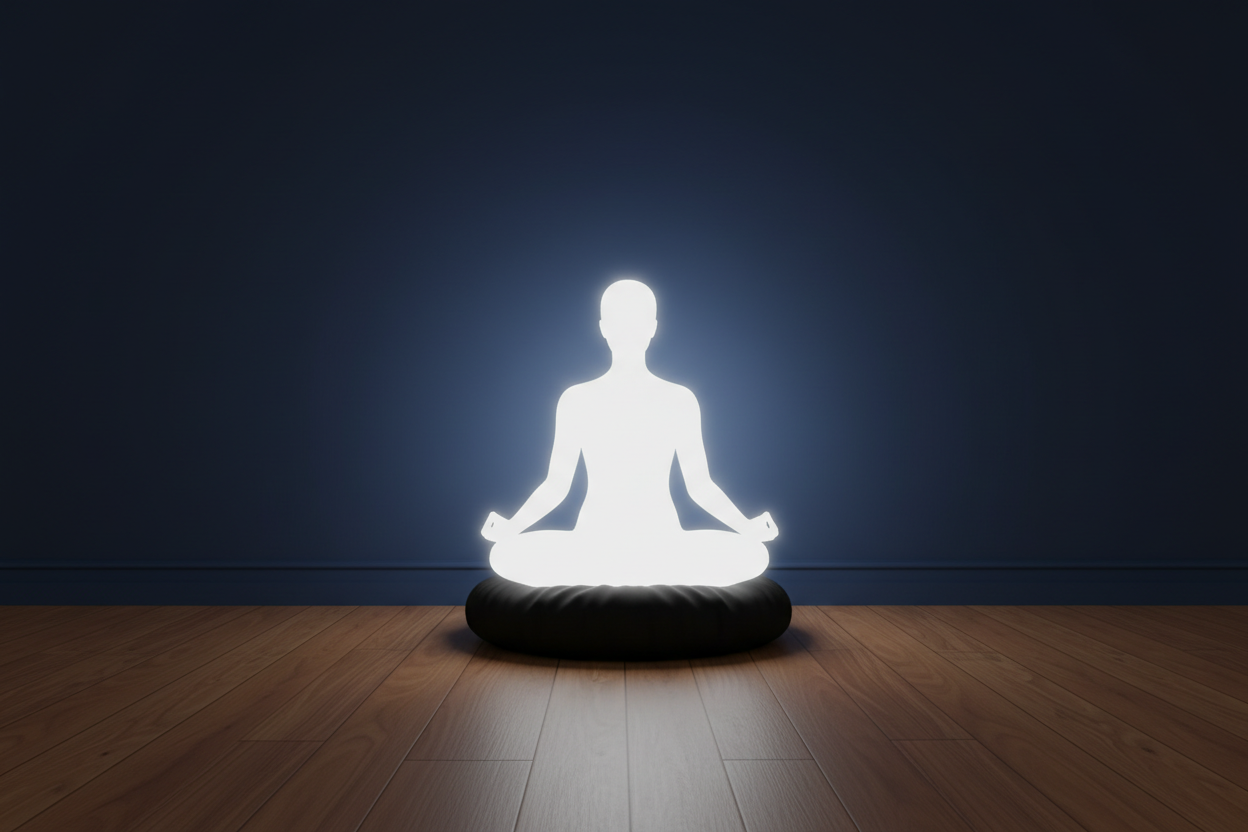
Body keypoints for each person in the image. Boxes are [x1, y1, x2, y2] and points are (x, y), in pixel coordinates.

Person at [482, 279, 777, 586]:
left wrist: (747, 528)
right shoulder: (576, 399)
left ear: (652, 327)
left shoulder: (679, 399)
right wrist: (511, 528)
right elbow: (556, 485)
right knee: (502, 553)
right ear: (603, 327)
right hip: (595, 543)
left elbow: (700, 486)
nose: (628, 331)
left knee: (755, 553)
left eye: (635, 322)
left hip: (661, 542)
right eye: (619, 321)